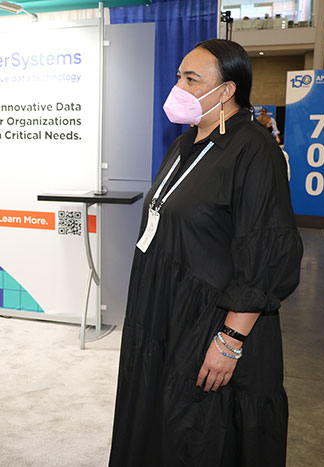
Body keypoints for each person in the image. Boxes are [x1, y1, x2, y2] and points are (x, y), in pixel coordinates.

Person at [109, 39, 303, 467]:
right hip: (166, 314)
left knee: (200, 434)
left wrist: (231, 340)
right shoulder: (184, 146)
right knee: (160, 424)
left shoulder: (255, 151)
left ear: (227, 90)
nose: (178, 86)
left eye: (191, 79)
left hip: (212, 322)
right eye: (179, 76)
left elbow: (268, 250)